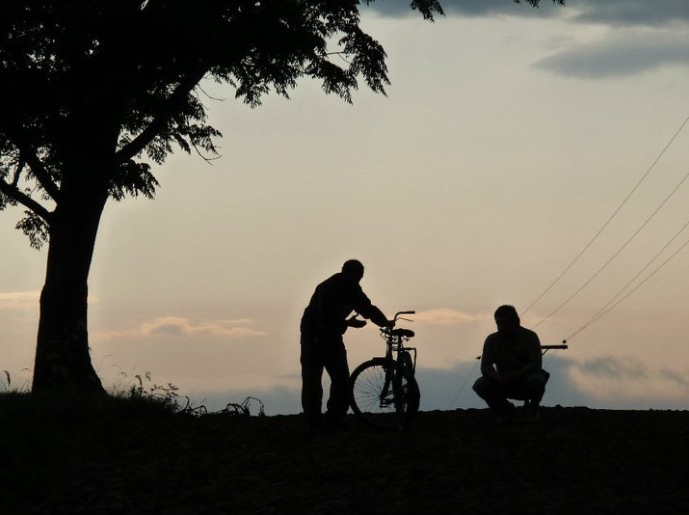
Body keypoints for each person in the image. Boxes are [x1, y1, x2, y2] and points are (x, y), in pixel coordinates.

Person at [300, 259, 392, 433]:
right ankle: (313, 421)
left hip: (332, 335)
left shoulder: (352, 288)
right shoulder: (328, 288)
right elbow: (322, 318)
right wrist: (347, 323)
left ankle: (333, 419)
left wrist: (385, 323)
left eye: (359, 277)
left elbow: (367, 308)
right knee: (313, 378)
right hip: (314, 335)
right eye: (356, 276)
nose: (357, 280)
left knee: (341, 378)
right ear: (345, 272)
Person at [473, 305, 549, 422]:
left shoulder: (530, 337)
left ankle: (532, 410)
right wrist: (495, 376)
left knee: (537, 381)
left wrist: (517, 374)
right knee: (480, 385)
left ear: (515, 322)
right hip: (503, 380)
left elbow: (535, 364)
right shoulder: (492, 340)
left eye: (504, 323)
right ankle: (505, 411)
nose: (501, 327)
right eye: (498, 323)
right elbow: (486, 367)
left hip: (525, 379)